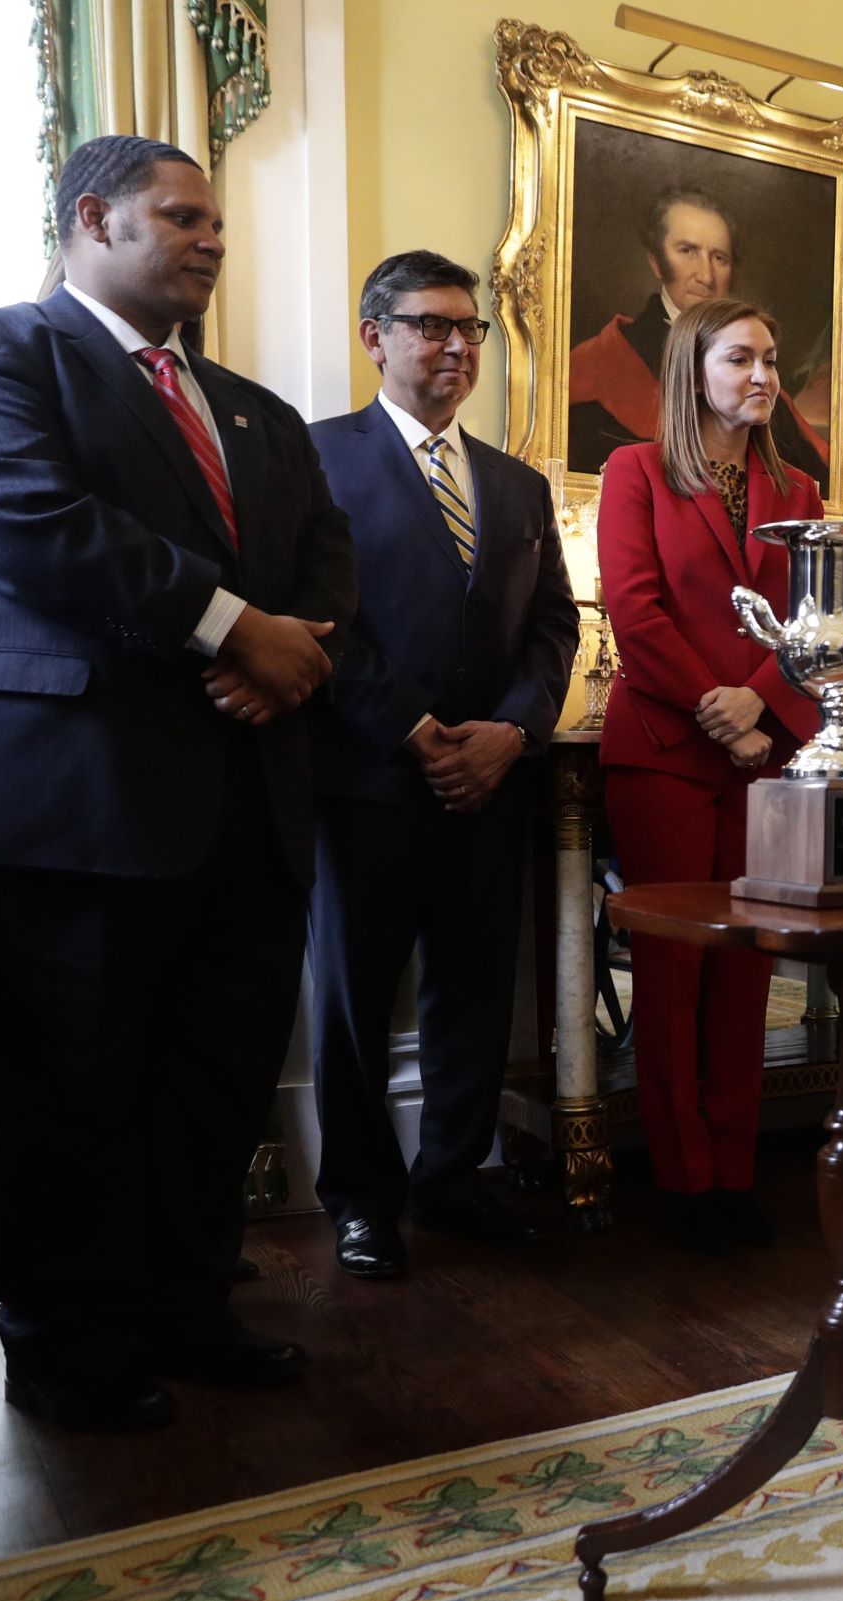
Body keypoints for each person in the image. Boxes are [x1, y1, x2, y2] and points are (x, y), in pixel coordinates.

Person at [0, 135, 357, 1431]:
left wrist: (286, 657)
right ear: (92, 218)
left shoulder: (259, 414)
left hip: (245, 798)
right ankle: (67, 1351)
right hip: (72, 802)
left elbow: (327, 579)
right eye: (185, 215)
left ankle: (185, 1310)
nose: (213, 237)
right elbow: (24, 521)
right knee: (69, 1092)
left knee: (210, 1088)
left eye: (217, 220)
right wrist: (231, 627)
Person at [306, 251, 579, 1277]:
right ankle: (361, 1200)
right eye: (430, 325)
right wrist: (416, 731)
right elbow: (317, 620)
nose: (457, 345)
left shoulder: (514, 482)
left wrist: (513, 731)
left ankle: (451, 1178)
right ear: (374, 336)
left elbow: (554, 628)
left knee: (472, 995)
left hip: (491, 783)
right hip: (367, 778)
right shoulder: (317, 457)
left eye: (470, 328)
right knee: (352, 1001)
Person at [597, 297, 820, 1253]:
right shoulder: (634, 470)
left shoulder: (801, 491)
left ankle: (734, 1172)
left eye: (769, 358)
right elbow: (635, 612)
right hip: (661, 749)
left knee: (746, 971)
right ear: (694, 370)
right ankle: (684, 1181)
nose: (761, 375)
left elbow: (815, 620)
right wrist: (717, 710)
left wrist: (760, 706)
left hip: (761, 752)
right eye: (740, 359)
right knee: (674, 968)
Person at [565, 187, 828, 489]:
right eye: (687, 251)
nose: (706, 275)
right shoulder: (599, 363)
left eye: (719, 257)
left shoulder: (765, 395)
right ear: (656, 261)